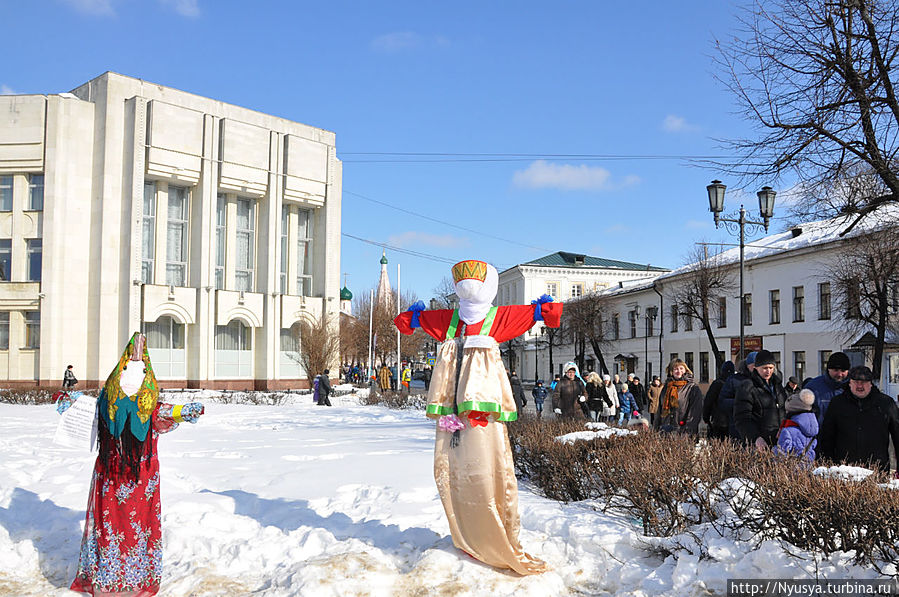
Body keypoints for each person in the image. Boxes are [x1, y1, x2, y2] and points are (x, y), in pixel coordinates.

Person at [394, 259, 561, 575]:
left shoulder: (493, 317)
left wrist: (541, 311)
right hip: (452, 408)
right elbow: (417, 319)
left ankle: (489, 534)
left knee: (484, 467)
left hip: (482, 407)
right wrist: (413, 318)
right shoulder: (453, 319)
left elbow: (536, 313)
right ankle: (467, 535)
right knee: (455, 466)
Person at [69, 332, 204, 596]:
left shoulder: (151, 403)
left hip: (142, 478)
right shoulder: (106, 399)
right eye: (130, 366)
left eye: (141, 367)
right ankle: (108, 577)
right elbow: (87, 415)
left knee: (139, 528)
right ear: (121, 368)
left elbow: (170, 412)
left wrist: (187, 411)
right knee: (109, 527)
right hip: (110, 473)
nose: (135, 371)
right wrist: (67, 404)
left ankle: (137, 577)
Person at [818, 365, 899, 472]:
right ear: (850, 383)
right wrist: (827, 464)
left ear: (870, 383)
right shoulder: (838, 403)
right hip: (845, 470)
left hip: (877, 469)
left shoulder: (886, 403)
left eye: (864, 382)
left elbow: (897, 434)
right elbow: (827, 436)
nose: (860, 386)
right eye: (856, 382)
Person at [734, 350, 786, 450]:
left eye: (771, 368)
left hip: (778, 441)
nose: (768, 371)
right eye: (764, 368)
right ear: (756, 368)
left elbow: (784, 411)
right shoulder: (747, 387)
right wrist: (755, 438)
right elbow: (742, 418)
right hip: (758, 444)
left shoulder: (778, 386)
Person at [653, 358, 704, 435]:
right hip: (665, 431)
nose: (679, 371)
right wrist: (656, 429)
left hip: (683, 431)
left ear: (686, 370)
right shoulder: (666, 387)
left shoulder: (692, 388)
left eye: (681, 368)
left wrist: (687, 431)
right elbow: (659, 410)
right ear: (671, 371)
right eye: (676, 369)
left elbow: (695, 413)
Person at [717, 352, 756, 440]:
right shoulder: (734, 379)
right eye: (753, 365)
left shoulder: (765, 381)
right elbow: (722, 401)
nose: (755, 368)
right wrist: (740, 403)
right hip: (737, 427)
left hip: (759, 428)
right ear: (747, 365)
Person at [804, 351, 850, 424]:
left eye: (843, 371)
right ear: (828, 369)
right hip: (820, 434)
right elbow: (803, 416)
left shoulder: (854, 388)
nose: (839, 374)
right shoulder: (813, 388)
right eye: (836, 370)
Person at [774, 389, 818, 465]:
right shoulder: (814, 429)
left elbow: (781, 454)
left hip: (791, 471)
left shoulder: (787, 431)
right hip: (808, 468)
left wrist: (772, 450)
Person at [703, 361, 735, 440]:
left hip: (718, 422)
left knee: (718, 446)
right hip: (733, 422)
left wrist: (706, 418)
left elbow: (708, 402)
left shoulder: (717, 384)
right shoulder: (735, 383)